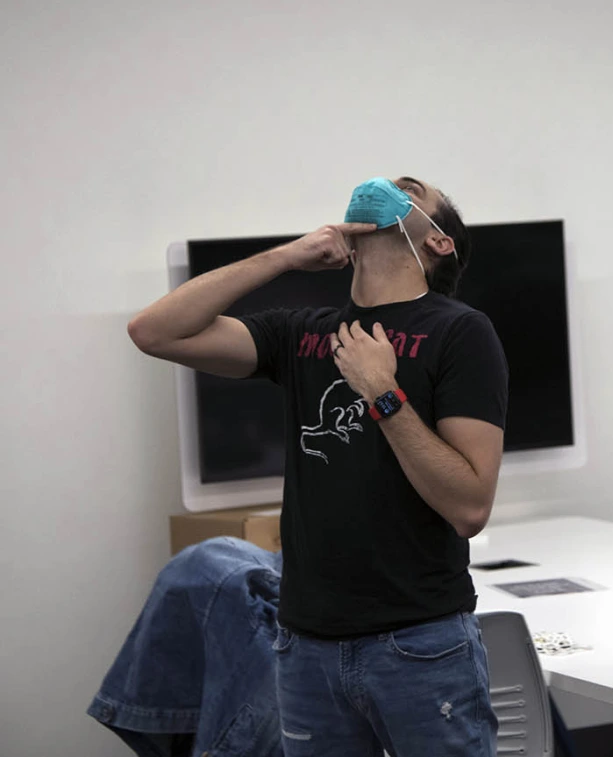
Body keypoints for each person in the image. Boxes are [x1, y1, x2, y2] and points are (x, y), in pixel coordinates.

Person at [128, 176, 508, 756]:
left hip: (419, 644)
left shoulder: (460, 331)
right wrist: (288, 256)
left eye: (410, 188)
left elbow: (469, 506)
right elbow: (152, 331)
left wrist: (383, 391)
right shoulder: (302, 333)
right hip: (305, 650)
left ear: (438, 242)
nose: (386, 184)